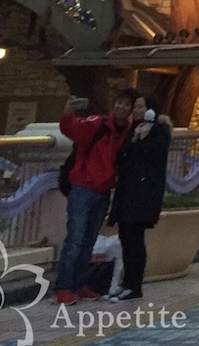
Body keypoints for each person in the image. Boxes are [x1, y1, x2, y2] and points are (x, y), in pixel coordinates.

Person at [54, 89, 137, 304]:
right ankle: (63, 287)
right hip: (83, 188)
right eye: (119, 102)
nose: (121, 107)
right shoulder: (97, 125)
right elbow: (70, 128)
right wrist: (68, 111)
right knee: (75, 240)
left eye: (126, 104)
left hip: (102, 191)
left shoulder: (128, 134)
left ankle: (79, 284)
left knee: (89, 240)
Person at [106, 94, 172, 302]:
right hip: (128, 191)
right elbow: (122, 156)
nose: (136, 110)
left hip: (143, 193)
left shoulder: (159, 131)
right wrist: (135, 139)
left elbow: (157, 155)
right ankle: (127, 282)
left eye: (140, 106)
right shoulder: (133, 130)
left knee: (135, 239)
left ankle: (135, 285)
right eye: (135, 106)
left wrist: (144, 139)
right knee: (126, 237)